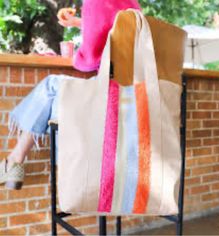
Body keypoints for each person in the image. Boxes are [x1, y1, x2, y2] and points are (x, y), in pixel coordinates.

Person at [0, 0, 141, 190]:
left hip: (109, 97)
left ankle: (15, 160)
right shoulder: (133, 5)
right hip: (134, 99)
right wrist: (79, 22)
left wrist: (75, 56)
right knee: (56, 92)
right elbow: (113, 28)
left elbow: (88, 61)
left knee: (51, 86)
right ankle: (15, 160)